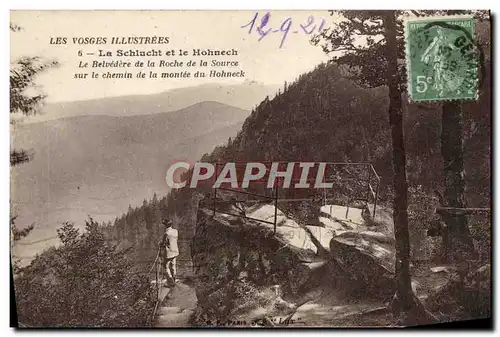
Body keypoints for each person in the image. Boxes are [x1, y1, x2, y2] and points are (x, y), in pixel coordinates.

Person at [159, 218, 179, 287]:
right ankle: (174, 279)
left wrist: (160, 243)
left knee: (165, 266)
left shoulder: (166, 233)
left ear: (165, 226)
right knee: (173, 266)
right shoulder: (175, 231)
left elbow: (162, 243)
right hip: (175, 251)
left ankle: (171, 282)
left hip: (169, 253)